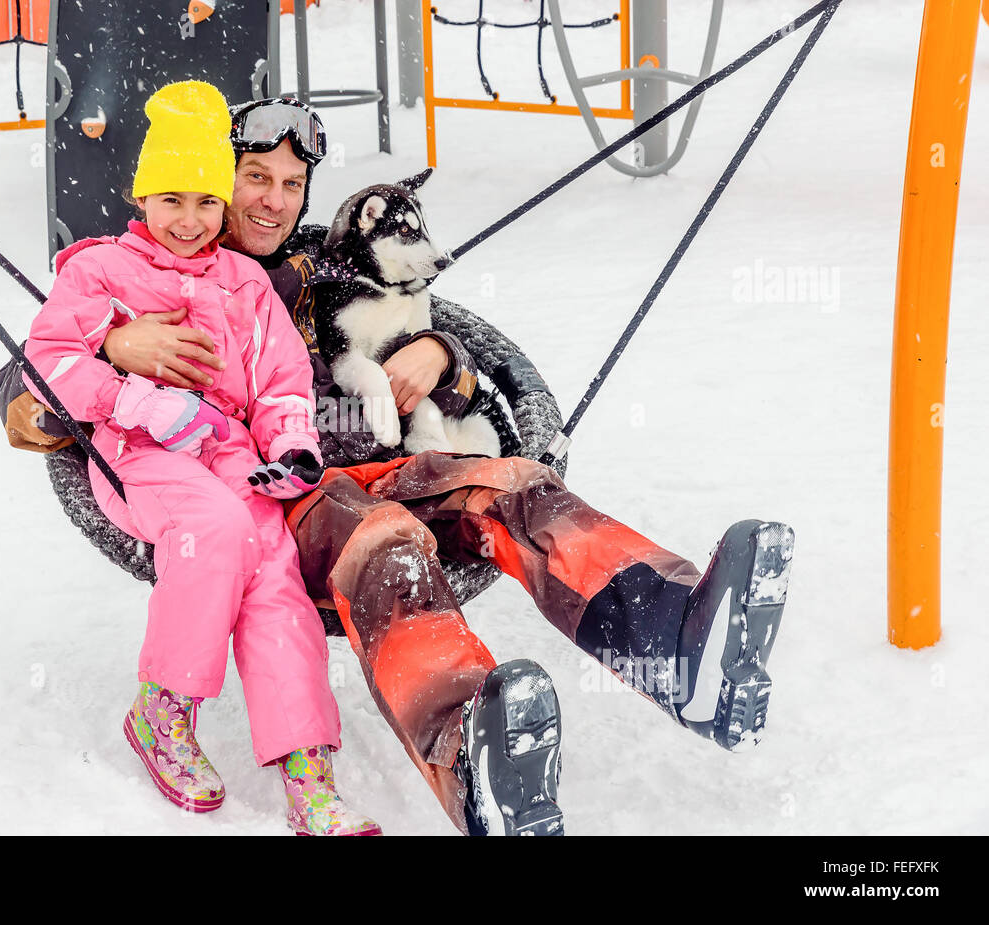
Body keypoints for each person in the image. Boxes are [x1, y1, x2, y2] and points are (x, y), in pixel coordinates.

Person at [94, 98, 796, 837]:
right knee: (386, 548)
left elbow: (440, 327)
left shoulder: (328, 256)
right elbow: (38, 374)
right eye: (253, 177)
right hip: (292, 497)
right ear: (209, 175)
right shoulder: (157, 270)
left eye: (292, 183)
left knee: (513, 486)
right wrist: (117, 347)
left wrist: (441, 356)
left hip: (401, 462)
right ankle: (471, 759)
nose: (273, 199)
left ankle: (679, 645)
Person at [19, 82, 381, 836]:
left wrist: (290, 447)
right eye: (172, 199)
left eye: (206, 202)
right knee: (214, 529)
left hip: (233, 456)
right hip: (136, 451)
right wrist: (136, 397)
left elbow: (282, 383)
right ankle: (161, 707)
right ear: (142, 195)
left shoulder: (248, 283)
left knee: (273, 570)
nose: (190, 221)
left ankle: (307, 764)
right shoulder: (102, 271)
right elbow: (46, 361)